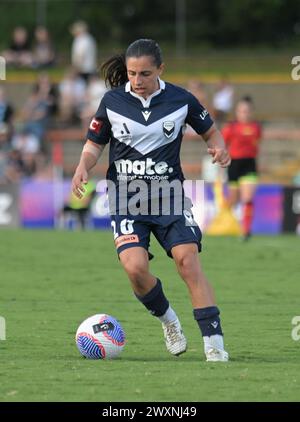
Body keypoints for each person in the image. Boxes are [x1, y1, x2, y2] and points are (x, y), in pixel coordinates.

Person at [72, 39, 231, 362]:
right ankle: (169, 321)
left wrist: (219, 147)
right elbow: (94, 144)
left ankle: (214, 345)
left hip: (169, 196)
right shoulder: (112, 101)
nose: (137, 80)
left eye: (145, 73)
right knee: (135, 268)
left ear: (161, 69)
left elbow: (211, 132)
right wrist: (82, 167)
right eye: (132, 73)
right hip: (127, 198)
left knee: (187, 261)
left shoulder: (181, 99)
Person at [222, 96, 262, 240]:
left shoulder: (256, 127)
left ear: (251, 112)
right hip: (234, 165)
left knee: (247, 198)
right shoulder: (230, 127)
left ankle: (246, 231)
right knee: (233, 199)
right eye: (241, 111)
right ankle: (226, 223)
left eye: (247, 111)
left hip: (249, 165)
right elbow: (223, 145)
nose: (244, 114)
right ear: (237, 112)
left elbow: (256, 144)